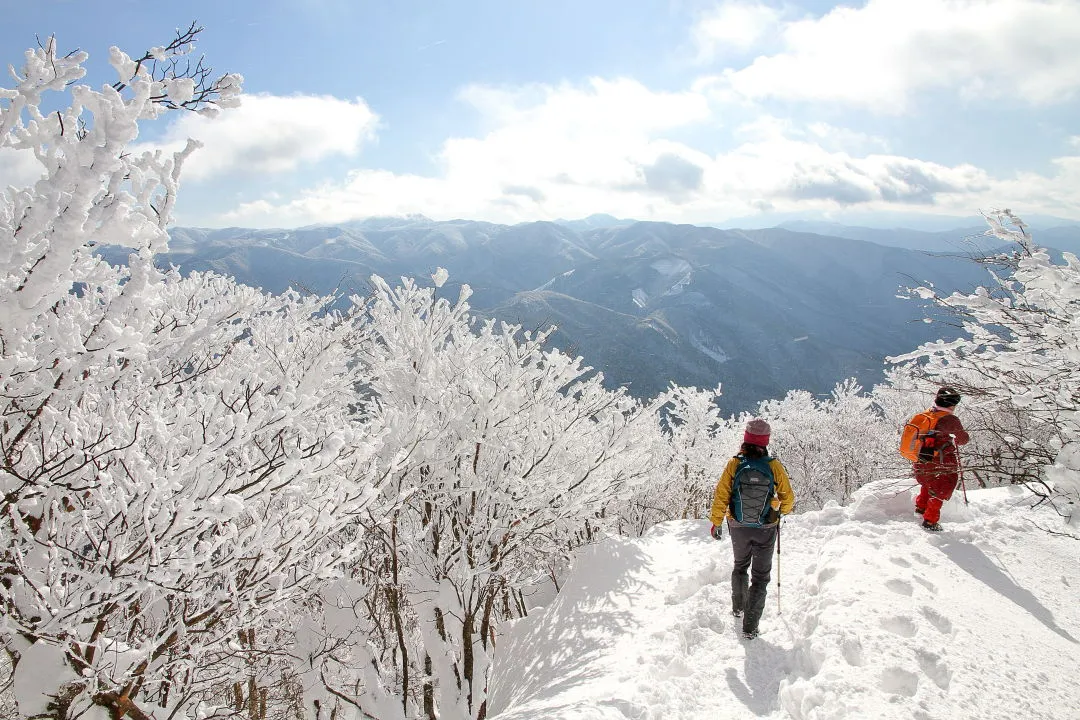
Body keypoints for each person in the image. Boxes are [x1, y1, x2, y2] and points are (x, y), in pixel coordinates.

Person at [708, 418, 795, 639]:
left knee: (740, 566)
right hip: (765, 527)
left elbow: (721, 495)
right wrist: (778, 509)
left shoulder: (735, 464)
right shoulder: (773, 466)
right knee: (760, 576)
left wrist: (716, 521)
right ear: (765, 442)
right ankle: (751, 626)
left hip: (738, 525)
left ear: (745, 439)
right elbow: (788, 500)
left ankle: (738, 607)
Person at [912, 387, 970, 532]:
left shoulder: (927, 414)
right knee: (940, 488)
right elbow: (962, 439)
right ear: (951, 405)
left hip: (923, 457)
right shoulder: (950, 419)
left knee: (927, 482)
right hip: (941, 461)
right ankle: (930, 521)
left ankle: (920, 508)